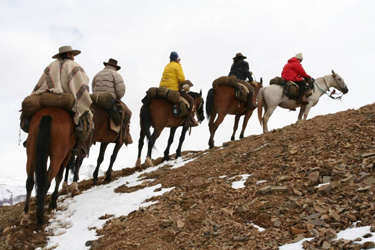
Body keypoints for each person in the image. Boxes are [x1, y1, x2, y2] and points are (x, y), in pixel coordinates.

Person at [31, 45, 93, 154]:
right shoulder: (75, 66)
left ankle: (30, 138)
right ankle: (78, 146)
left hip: (48, 96)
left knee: (32, 114)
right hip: (67, 99)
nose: (73, 56)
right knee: (87, 116)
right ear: (69, 54)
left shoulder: (50, 66)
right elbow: (83, 85)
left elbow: (40, 84)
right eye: (72, 54)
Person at [92, 58, 132, 144]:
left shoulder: (97, 74)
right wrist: (117, 98)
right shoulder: (116, 75)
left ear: (106, 65)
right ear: (115, 67)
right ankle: (122, 136)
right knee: (129, 113)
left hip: (96, 98)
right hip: (109, 98)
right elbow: (120, 91)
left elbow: (93, 87)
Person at [160, 51, 198, 127]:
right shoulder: (177, 66)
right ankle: (187, 120)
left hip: (163, 88)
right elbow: (181, 79)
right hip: (173, 89)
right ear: (177, 59)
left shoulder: (167, 66)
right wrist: (186, 86)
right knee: (191, 100)